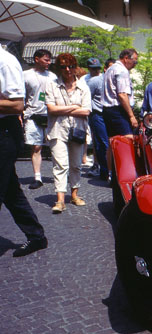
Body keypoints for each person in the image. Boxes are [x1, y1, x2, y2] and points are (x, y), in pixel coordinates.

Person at [0, 45, 48, 257]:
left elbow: (16, 105)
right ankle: (37, 237)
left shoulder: (6, 61)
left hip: (5, 132)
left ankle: (37, 237)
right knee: (11, 190)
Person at [45, 53, 92, 214]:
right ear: (59, 68)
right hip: (57, 130)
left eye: (71, 66)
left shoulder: (83, 87)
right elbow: (51, 109)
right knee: (60, 165)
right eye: (64, 67)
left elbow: (86, 111)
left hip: (78, 130)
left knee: (76, 165)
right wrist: (74, 107)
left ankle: (74, 195)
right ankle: (60, 200)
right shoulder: (51, 85)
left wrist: (63, 109)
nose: (68, 70)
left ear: (75, 67)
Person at [23, 49, 57, 190]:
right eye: (46, 60)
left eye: (49, 60)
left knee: (56, 146)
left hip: (50, 115)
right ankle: (38, 177)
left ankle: (59, 175)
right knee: (36, 147)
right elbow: (21, 96)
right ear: (37, 59)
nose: (49, 62)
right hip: (32, 115)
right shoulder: (26, 75)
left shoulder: (53, 76)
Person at [84, 57, 111, 181]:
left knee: (103, 143)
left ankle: (104, 169)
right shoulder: (91, 81)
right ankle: (104, 169)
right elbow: (86, 99)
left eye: (97, 68)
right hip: (97, 114)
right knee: (102, 143)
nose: (96, 70)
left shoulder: (112, 80)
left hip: (109, 114)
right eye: (93, 68)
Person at [102, 48, 138, 136]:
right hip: (118, 111)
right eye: (134, 62)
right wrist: (131, 116)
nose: (135, 65)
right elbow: (122, 95)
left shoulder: (111, 69)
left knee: (113, 142)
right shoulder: (122, 71)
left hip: (107, 111)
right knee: (127, 140)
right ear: (126, 58)